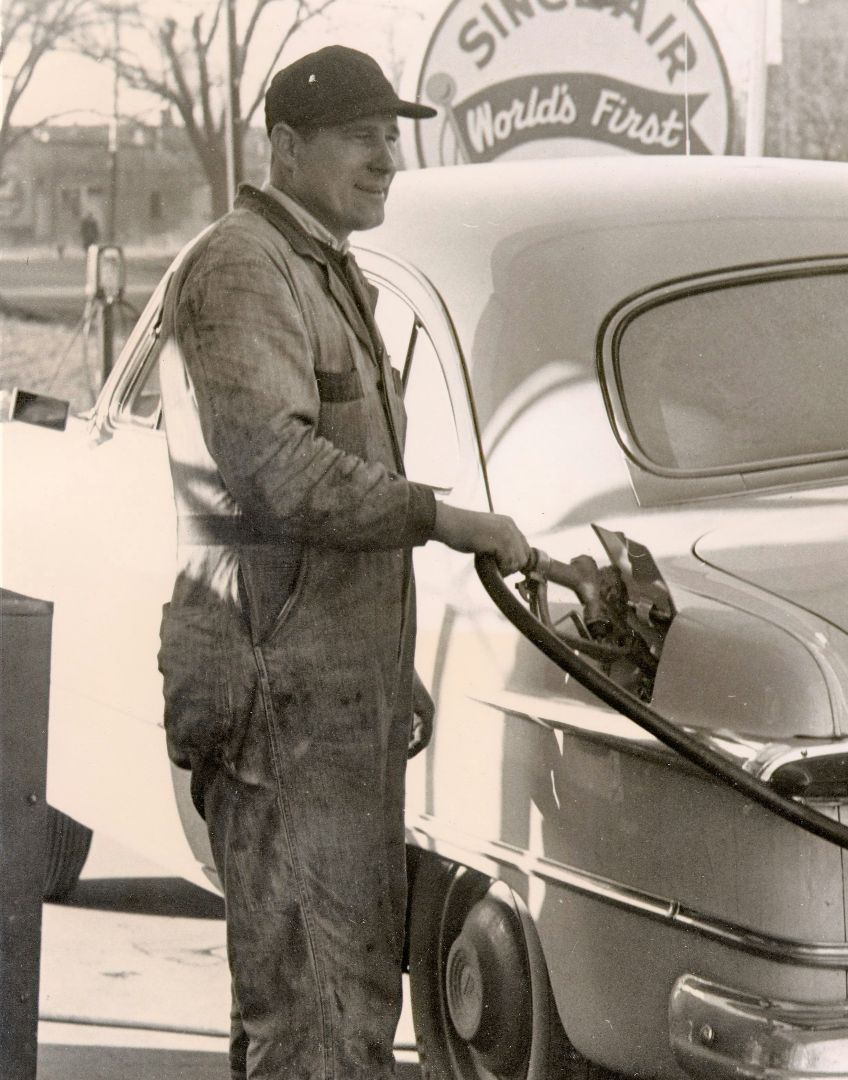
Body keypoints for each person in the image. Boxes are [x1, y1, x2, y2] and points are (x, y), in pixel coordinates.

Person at [153, 45, 530, 1079]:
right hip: (282, 715)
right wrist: (445, 519)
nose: (388, 159)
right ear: (285, 146)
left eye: (391, 136)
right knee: (318, 1016)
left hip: (329, 698)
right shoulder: (242, 269)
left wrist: (385, 660)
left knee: (323, 1002)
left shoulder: (319, 269)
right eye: (362, 137)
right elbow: (278, 469)